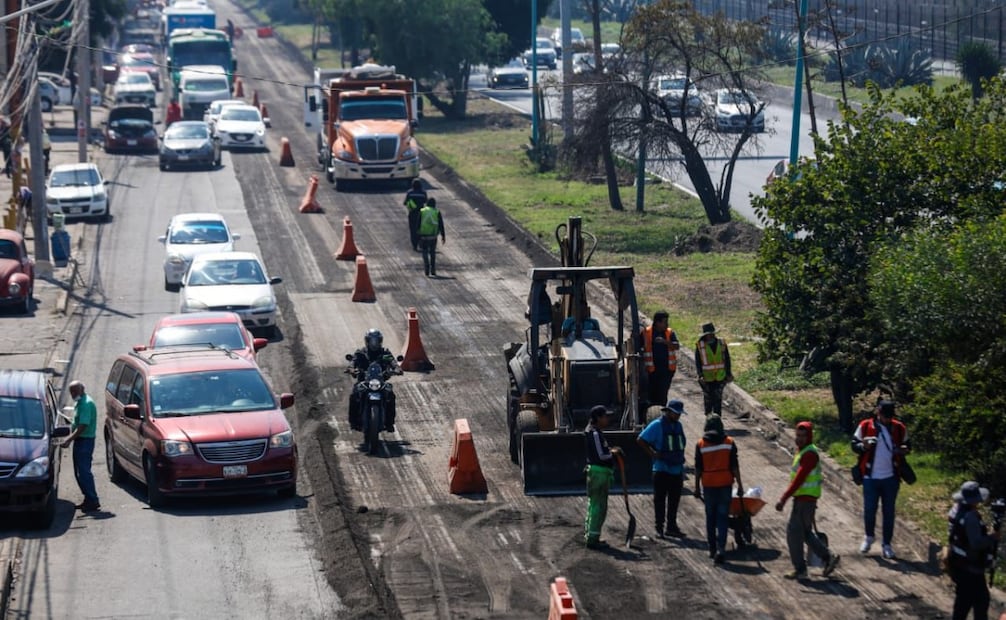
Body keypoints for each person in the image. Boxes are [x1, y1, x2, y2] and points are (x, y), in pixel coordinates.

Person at [775, 421, 841, 579]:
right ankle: (828, 557)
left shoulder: (809, 454)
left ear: (809, 436)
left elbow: (799, 479)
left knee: (793, 534)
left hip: (804, 500)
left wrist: (783, 499)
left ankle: (801, 570)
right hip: (806, 500)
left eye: (803, 436)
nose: (799, 438)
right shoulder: (804, 450)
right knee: (805, 533)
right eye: (797, 435)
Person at [852, 399, 910, 559]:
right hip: (870, 477)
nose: (887, 419)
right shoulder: (865, 426)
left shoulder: (899, 428)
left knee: (889, 512)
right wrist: (864, 446)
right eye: (885, 416)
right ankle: (869, 536)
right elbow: (854, 444)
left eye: (889, 417)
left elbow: (907, 445)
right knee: (869, 509)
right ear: (878, 412)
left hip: (891, 477)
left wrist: (904, 450)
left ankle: (887, 544)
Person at [694, 414, 742, 563]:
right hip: (725, 484)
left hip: (708, 485)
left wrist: (696, 487)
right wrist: (740, 485)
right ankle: (721, 548)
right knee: (722, 517)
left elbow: (698, 468)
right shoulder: (729, 442)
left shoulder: (701, 444)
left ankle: (712, 548)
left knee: (710, 517)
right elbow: (734, 466)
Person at [636, 398, 687, 538]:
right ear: (668, 412)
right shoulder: (657, 425)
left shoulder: (678, 426)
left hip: (677, 470)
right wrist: (652, 453)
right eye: (676, 413)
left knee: (674, 501)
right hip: (661, 470)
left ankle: (672, 527)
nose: (678, 416)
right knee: (660, 500)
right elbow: (641, 440)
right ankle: (659, 527)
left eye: (679, 413)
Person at [947, 481, 998, 620]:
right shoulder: (970, 517)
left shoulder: (955, 510)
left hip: (957, 562)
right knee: (980, 601)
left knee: (963, 602)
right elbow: (976, 543)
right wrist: (993, 537)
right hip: (970, 567)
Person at [348, 328, 400, 432]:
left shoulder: (385, 353)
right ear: (367, 341)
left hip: (380, 382)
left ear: (380, 341)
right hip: (363, 382)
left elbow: (393, 361)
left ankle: (389, 422)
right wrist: (351, 369)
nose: (374, 344)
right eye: (372, 341)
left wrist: (397, 369)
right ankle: (353, 422)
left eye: (376, 341)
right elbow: (353, 362)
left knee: (391, 395)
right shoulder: (361, 353)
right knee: (354, 395)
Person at [584, 405, 621, 549]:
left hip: (598, 473)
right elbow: (601, 455)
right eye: (606, 416)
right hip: (598, 474)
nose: (608, 419)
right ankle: (592, 538)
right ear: (598, 418)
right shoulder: (594, 433)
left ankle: (591, 535)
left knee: (594, 505)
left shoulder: (595, 432)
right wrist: (614, 453)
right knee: (598, 507)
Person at [61, 381, 100, 512]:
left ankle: (92, 500)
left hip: (85, 441)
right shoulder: (79, 402)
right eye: (71, 392)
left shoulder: (86, 404)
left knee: (84, 472)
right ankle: (88, 499)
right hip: (80, 441)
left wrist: (69, 439)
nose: (72, 394)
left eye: (75, 392)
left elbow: (83, 425)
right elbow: (78, 421)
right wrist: (71, 422)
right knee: (79, 472)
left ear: (82, 390)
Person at [640, 311, 680, 411]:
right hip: (651, 372)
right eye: (665, 322)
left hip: (666, 371)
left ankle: (660, 414)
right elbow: (639, 349)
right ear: (658, 322)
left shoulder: (669, 333)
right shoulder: (646, 333)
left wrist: (665, 342)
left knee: (662, 396)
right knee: (650, 397)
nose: (667, 324)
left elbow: (676, 346)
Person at [695, 322, 732, 415]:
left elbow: (727, 359)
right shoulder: (700, 345)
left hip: (720, 376)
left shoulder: (722, 343)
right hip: (707, 378)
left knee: (718, 398)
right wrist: (700, 375)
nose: (710, 336)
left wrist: (729, 373)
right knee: (708, 399)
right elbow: (698, 362)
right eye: (708, 334)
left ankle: (717, 418)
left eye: (711, 334)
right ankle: (709, 418)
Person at [418, 197, 445, 277]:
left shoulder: (422, 211)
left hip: (423, 235)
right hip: (433, 235)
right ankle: (433, 270)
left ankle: (426, 267)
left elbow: (418, 223)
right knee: (432, 252)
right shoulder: (437, 212)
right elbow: (441, 225)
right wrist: (443, 236)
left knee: (424, 251)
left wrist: (417, 235)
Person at [403, 179, 427, 251]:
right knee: (421, 229)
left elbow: (405, 203)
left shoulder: (410, 193)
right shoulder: (423, 192)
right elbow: (425, 201)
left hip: (412, 213)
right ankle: (421, 243)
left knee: (413, 229)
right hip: (421, 213)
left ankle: (414, 245)